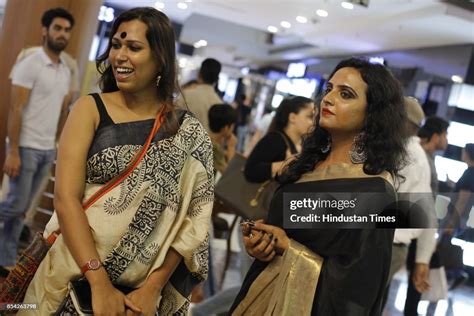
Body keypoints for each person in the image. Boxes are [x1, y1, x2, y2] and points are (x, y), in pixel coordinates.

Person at [19, 7, 213, 315]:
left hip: (142, 297)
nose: (119, 55)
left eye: (134, 47)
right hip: (72, 276)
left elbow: (194, 219)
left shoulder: (187, 131)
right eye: (116, 45)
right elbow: (66, 199)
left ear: (161, 58)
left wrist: (153, 288)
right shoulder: (90, 109)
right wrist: (98, 282)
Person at [230, 58, 408, 315]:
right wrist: (263, 244)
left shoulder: (374, 191)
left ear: (372, 113)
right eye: (329, 89)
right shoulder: (306, 164)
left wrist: (287, 249)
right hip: (261, 296)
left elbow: (359, 288)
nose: (329, 98)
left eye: (345, 94)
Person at [0, 7, 75, 277]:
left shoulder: (65, 70)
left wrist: (56, 143)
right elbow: (15, 109)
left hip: (46, 149)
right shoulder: (30, 63)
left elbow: (62, 110)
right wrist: (14, 151)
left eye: (67, 30)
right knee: (16, 206)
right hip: (26, 147)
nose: (62, 34)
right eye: (57, 28)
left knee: (21, 213)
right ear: (45, 30)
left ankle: (5, 258)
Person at [387, 98, 437, 316]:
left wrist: (422, 260)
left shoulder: (409, 155)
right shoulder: (398, 149)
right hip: (388, 245)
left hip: (390, 245)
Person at [244, 96, 315, 183]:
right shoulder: (275, 140)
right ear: (292, 117)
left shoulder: (299, 144)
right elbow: (250, 171)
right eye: (310, 116)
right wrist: (284, 165)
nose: (314, 122)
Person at [179, 58, 223, 131]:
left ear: (199, 74)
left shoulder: (186, 94)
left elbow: (172, 119)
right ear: (217, 79)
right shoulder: (219, 103)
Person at [418, 116, 450, 195]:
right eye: (445, 135)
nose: (446, 140)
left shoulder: (428, 156)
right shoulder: (422, 157)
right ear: (436, 137)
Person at [208, 103, 238, 175]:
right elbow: (228, 174)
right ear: (226, 128)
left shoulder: (205, 137)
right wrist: (231, 147)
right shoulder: (214, 147)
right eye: (232, 125)